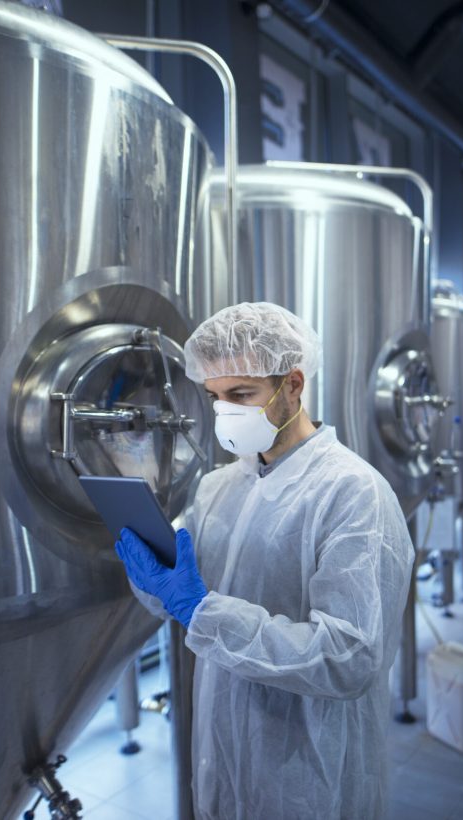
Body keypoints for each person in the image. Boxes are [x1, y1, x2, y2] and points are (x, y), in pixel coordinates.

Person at [114, 302, 415, 819]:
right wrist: (154, 578)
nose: (225, 411)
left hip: (309, 763)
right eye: (215, 397)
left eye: (241, 395)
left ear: (293, 385)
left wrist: (203, 612)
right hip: (222, 752)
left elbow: (349, 657)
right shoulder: (218, 487)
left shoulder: (353, 493)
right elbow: (180, 597)